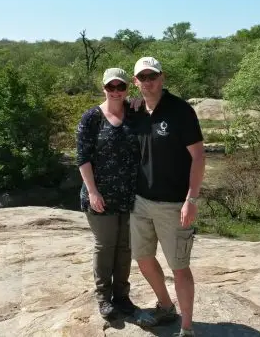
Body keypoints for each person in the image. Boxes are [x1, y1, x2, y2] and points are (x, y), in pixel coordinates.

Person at [129, 57, 205, 337]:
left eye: (153, 76)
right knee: (143, 258)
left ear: (162, 77)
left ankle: (187, 327)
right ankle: (165, 306)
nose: (148, 82)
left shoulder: (180, 111)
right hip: (140, 201)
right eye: (142, 77)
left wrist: (191, 199)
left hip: (173, 203)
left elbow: (198, 157)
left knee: (180, 267)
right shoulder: (135, 110)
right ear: (136, 82)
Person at [75, 67, 140, 319]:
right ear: (103, 88)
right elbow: (82, 159)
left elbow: (159, 105)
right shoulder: (91, 118)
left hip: (129, 195)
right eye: (110, 87)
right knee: (105, 246)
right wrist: (93, 192)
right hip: (99, 196)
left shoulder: (135, 114)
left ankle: (122, 296)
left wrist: (141, 102)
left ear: (127, 88)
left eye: (120, 87)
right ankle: (104, 298)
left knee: (125, 247)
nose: (115, 91)